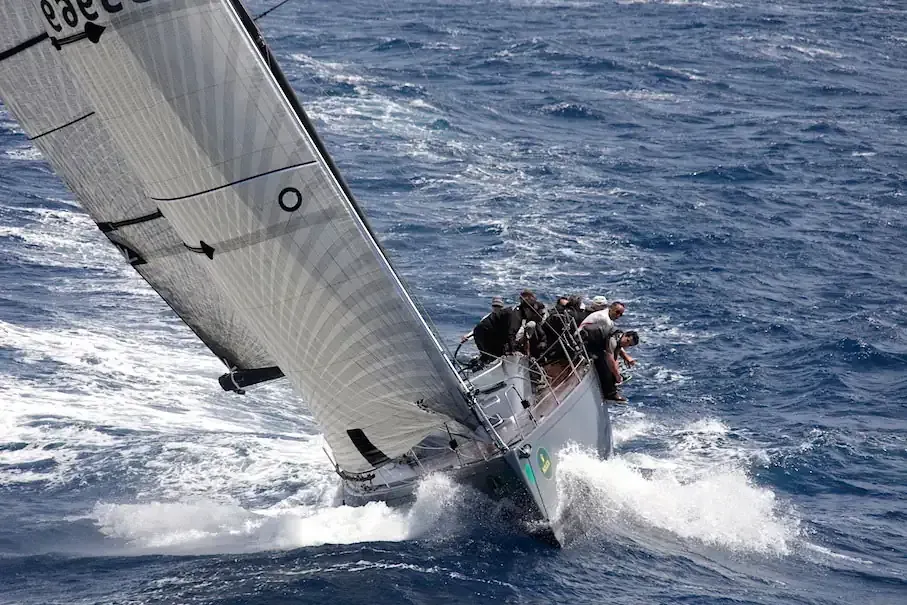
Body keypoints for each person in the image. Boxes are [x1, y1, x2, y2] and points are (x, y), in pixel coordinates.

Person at [581, 327, 639, 402]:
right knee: (604, 365)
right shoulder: (613, 340)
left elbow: (616, 356)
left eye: (629, 345)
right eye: (627, 341)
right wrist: (617, 375)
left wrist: (625, 359)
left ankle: (613, 383)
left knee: (614, 368)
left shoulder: (619, 337)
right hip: (587, 344)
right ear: (625, 334)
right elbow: (610, 361)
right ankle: (610, 394)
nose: (626, 344)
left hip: (597, 345)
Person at [578, 301, 636, 367]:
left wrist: (625, 355)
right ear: (611, 308)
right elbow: (611, 339)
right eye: (617, 312)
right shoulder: (605, 319)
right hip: (582, 338)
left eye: (621, 314)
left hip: (587, 336)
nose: (618, 316)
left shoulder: (606, 315)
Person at [463, 296, 514, 363]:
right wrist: (467, 336)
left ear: (502, 307)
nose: (496, 308)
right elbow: (477, 329)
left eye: (499, 306)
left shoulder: (508, 316)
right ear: (492, 306)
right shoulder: (487, 318)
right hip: (492, 340)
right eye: (494, 306)